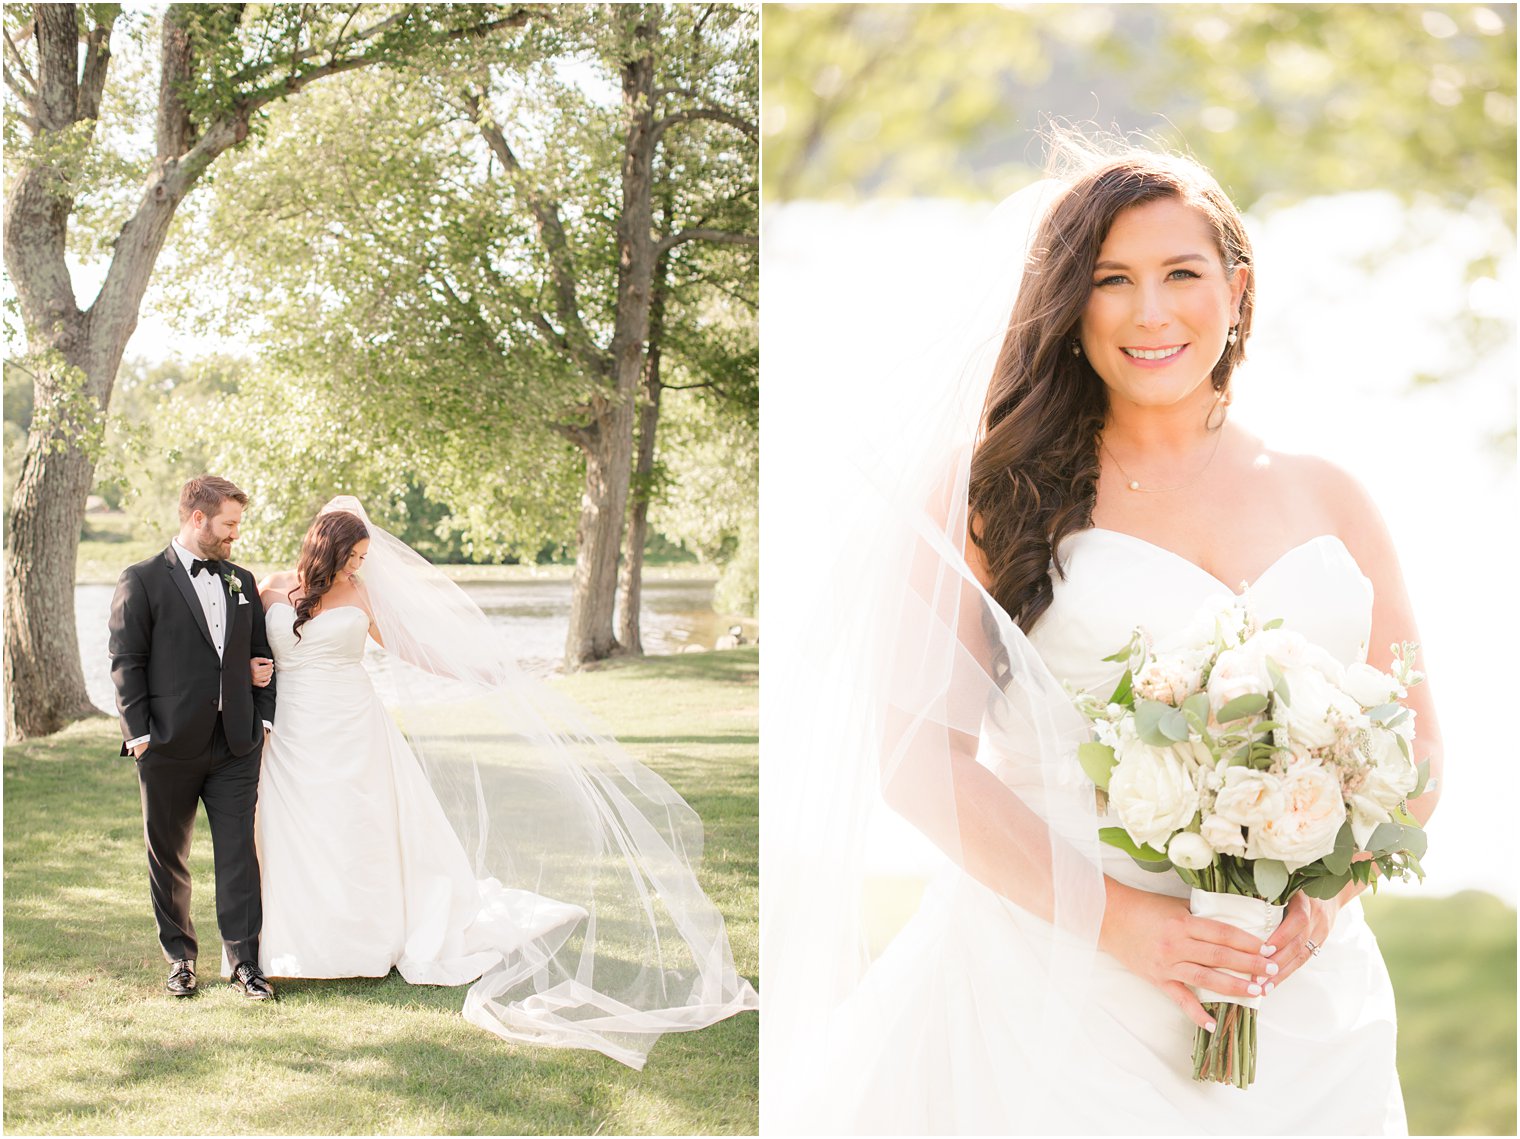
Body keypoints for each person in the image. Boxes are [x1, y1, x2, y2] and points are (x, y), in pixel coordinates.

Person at [763, 140, 1443, 1133]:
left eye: (1180, 273)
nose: (1149, 312)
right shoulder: (985, 492)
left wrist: (1325, 901)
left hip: (1301, 998)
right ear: (1067, 302)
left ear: (1237, 290)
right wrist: (1122, 926)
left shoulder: (1327, 492)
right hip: (1051, 995)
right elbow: (918, 757)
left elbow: (1415, 748)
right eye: (1108, 280)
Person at [249, 498, 757, 1068]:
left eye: (364, 558)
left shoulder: (364, 595)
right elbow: (239, 651)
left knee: (360, 827)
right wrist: (249, 670)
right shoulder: (266, 588)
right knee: (297, 827)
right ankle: (296, 940)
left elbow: (412, 649)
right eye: (351, 559)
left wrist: (480, 670)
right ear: (327, 549)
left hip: (353, 726)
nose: (357, 569)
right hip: (291, 729)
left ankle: (366, 936)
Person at [108, 475, 279, 1001]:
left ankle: (245, 962)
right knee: (169, 856)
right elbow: (126, 663)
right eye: (229, 525)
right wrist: (139, 736)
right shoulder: (141, 579)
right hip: (167, 746)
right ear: (197, 518)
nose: (235, 535)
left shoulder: (242, 581)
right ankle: (180, 959)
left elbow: (263, 657)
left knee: (238, 855)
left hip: (235, 745)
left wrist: (263, 718)